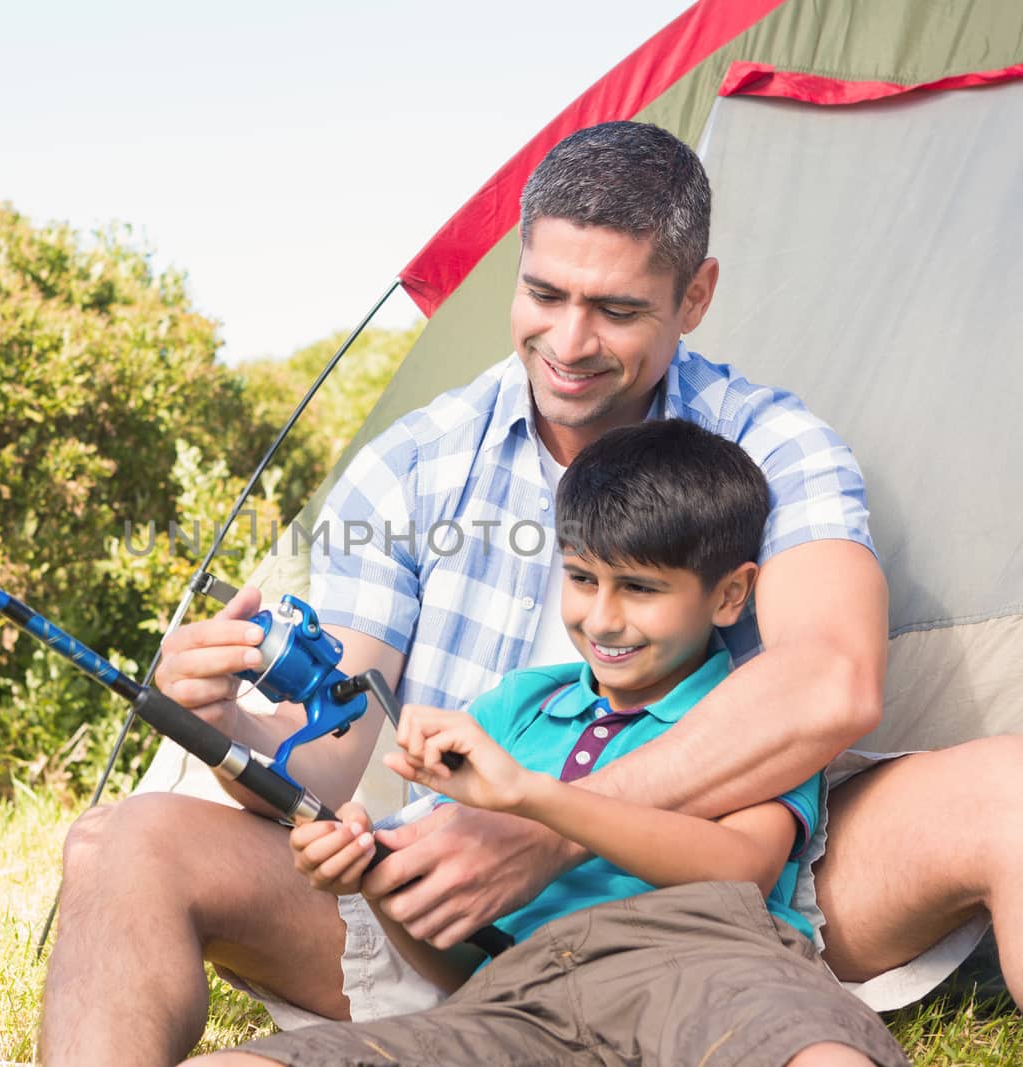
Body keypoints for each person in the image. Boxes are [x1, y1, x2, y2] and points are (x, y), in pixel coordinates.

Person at [39, 121, 1023, 1067]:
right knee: (119, 841)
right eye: (543, 294)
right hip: (455, 923)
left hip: (742, 903)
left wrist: (547, 826)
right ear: (517, 266)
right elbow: (329, 746)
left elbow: (832, 679)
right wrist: (230, 714)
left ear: (695, 294)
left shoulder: (774, 443)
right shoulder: (413, 465)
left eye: (616, 309)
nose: (567, 345)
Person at [187, 418, 908, 1067]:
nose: (602, 618)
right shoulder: (515, 707)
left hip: (710, 965)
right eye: (582, 577)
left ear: (729, 595)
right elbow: (456, 959)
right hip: (514, 999)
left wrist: (541, 800)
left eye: (640, 588)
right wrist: (376, 878)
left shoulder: (748, 714)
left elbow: (740, 869)